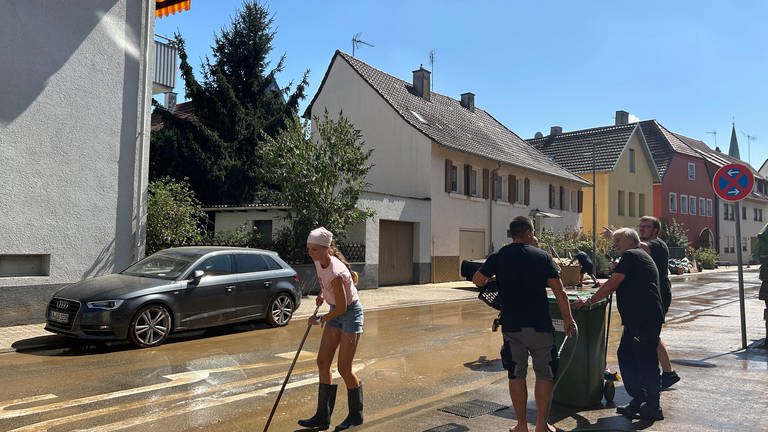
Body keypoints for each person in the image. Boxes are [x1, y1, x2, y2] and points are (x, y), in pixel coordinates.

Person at [473, 216, 575, 432]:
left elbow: (478, 280)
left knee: (516, 374)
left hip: (512, 327)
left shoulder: (499, 256)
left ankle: (521, 425)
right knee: (545, 373)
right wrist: (568, 319)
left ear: (512, 234)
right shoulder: (542, 257)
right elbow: (560, 291)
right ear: (529, 232)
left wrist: (496, 278)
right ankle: (541, 425)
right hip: (540, 326)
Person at [574, 228, 664, 421]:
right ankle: (640, 399)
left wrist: (589, 301)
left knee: (645, 361)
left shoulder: (632, 255)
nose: (615, 245)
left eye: (618, 240)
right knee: (627, 355)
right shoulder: (637, 255)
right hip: (639, 318)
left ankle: (653, 407)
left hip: (643, 318)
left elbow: (612, 283)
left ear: (631, 241)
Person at [299, 227, 365, 431]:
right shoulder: (319, 260)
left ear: (326, 249)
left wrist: (319, 319)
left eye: (315, 249)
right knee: (322, 362)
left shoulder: (337, 271)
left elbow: (343, 307)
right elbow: (326, 284)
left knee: (344, 368)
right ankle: (322, 417)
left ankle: (356, 416)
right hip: (335, 309)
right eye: (309, 249)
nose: (311, 253)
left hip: (349, 314)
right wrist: (323, 294)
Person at [637, 216, 680, 389]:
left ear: (656, 230)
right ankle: (668, 373)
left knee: (650, 336)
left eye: (646, 227)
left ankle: (666, 374)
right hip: (650, 295)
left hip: (659, 296)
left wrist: (622, 238)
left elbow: (642, 246)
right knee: (652, 336)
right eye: (640, 227)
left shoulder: (657, 244)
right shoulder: (643, 246)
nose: (642, 229)